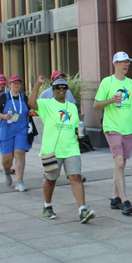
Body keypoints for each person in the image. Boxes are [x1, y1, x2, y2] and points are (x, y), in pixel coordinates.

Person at [29, 75, 96, 223]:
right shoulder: (47, 104)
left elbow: (76, 125)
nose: (61, 89)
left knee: (76, 177)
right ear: (53, 90)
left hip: (71, 148)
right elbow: (31, 103)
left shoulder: (71, 106)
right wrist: (38, 84)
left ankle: (82, 211)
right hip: (52, 149)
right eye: (58, 87)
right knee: (51, 179)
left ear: (67, 90)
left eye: (64, 87)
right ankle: (47, 206)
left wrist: (81, 131)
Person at [93, 52, 132, 215]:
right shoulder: (107, 82)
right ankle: (125, 201)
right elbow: (96, 105)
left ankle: (114, 198)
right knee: (119, 164)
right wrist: (110, 100)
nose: (126, 65)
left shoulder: (130, 83)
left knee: (120, 166)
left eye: (128, 62)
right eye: (122, 62)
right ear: (115, 64)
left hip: (128, 129)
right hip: (112, 127)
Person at [38, 70, 86, 184]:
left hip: (68, 128)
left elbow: (73, 108)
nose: (61, 85)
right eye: (57, 78)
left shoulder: (67, 92)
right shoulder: (45, 94)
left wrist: (78, 125)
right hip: (53, 130)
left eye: (62, 79)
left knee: (72, 160)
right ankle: (48, 174)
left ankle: (74, 174)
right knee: (52, 172)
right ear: (52, 81)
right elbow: (36, 107)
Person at [0, 75, 30, 192]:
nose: (16, 84)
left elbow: (29, 110)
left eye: (18, 82)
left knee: (20, 153)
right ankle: (7, 172)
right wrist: (3, 116)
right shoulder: (4, 97)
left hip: (21, 130)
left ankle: (20, 181)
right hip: (6, 131)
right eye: (14, 82)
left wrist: (31, 112)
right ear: (10, 85)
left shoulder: (24, 98)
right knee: (6, 160)